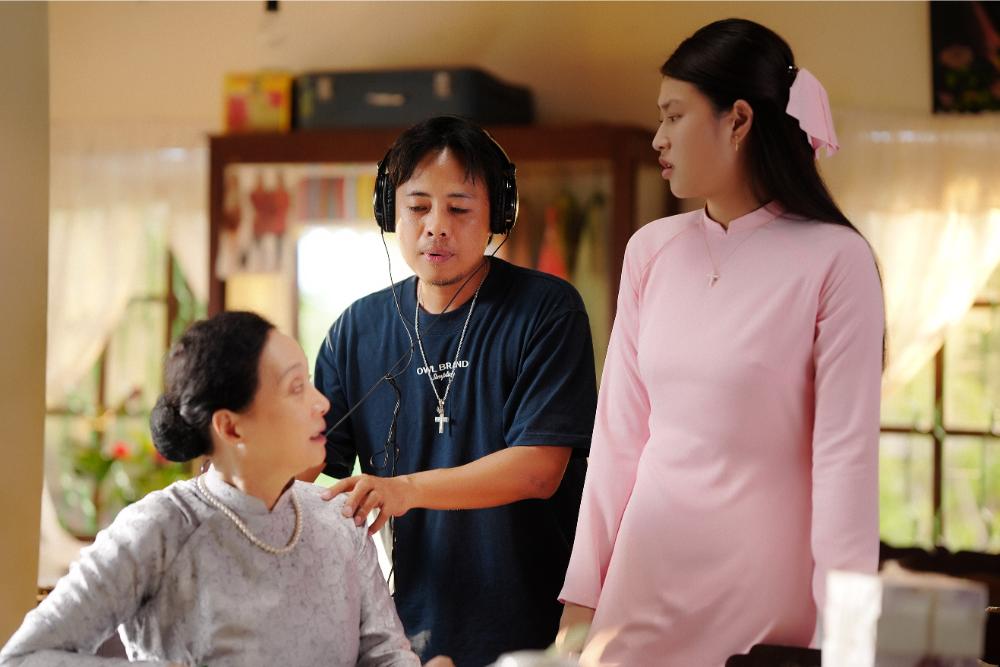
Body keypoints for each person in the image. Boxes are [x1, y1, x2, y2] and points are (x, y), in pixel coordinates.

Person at [558, 18, 885, 666]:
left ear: (737, 121)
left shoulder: (837, 260)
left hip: (762, 603)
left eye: (674, 116)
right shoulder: (650, 250)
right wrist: (581, 602)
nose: (658, 137)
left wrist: (847, 645)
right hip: (640, 590)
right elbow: (618, 440)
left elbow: (845, 468)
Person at [308, 116, 598, 666]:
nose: (436, 227)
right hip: (410, 635)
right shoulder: (356, 330)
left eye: (459, 209)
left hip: (538, 632)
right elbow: (311, 460)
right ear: (390, 212)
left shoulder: (547, 311)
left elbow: (539, 469)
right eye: (418, 207)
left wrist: (404, 489)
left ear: (498, 215)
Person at [1, 311, 447, 667]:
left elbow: (386, 657)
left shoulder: (341, 519)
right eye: (295, 388)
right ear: (231, 427)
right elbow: (24, 657)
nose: (322, 403)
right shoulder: (158, 528)